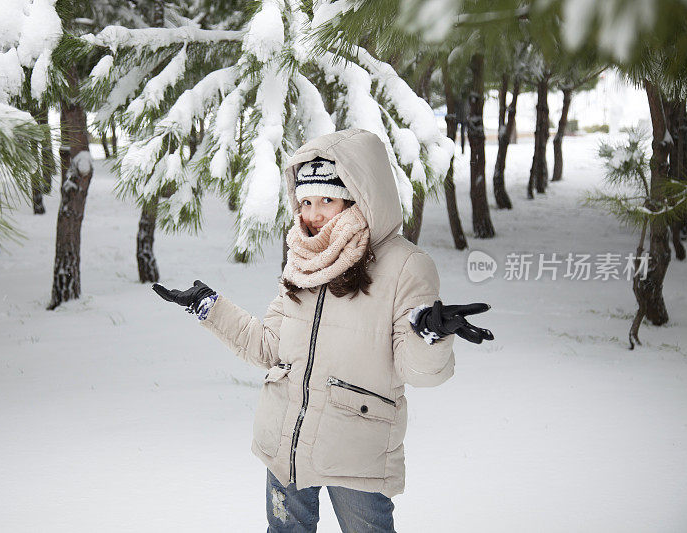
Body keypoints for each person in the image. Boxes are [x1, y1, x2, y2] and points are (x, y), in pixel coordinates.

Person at [153, 129, 493, 532]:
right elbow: (270, 346)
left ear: (358, 198)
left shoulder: (405, 266)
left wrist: (429, 336)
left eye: (326, 200)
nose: (312, 216)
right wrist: (208, 306)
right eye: (306, 201)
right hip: (286, 442)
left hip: (356, 448)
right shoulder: (302, 256)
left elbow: (418, 371)